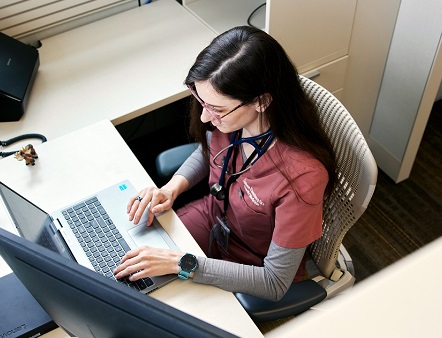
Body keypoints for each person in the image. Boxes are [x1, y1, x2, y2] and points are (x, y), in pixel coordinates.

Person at [113, 26, 337, 301]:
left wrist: (182, 264)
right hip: (214, 218)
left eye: (216, 109)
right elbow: (209, 151)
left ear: (262, 102)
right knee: (129, 257)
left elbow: (275, 282)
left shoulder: (303, 176)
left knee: (159, 300)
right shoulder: (234, 118)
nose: (206, 119)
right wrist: (171, 189)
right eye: (202, 102)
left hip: (251, 265)